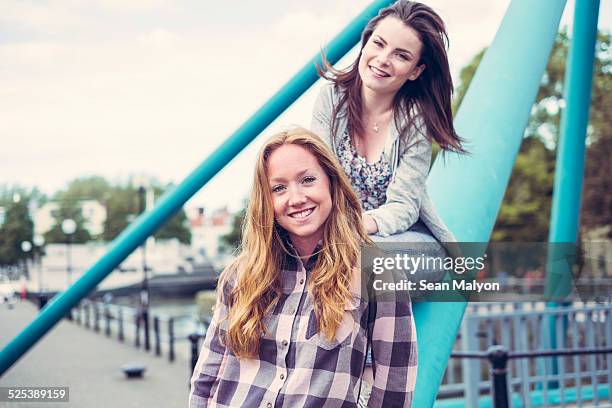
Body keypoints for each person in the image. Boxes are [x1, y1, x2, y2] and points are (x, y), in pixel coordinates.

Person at [189, 127, 417, 407]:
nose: (295, 198)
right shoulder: (239, 276)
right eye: (279, 188)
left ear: (331, 184)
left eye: (308, 180)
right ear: (266, 201)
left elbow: (393, 389)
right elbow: (208, 375)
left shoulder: (378, 274)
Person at [311, 0, 464, 247]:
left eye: (401, 55)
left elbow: (404, 206)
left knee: (366, 258)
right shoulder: (331, 99)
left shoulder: (415, 123)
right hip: (333, 232)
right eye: (378, 44)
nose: (383, 59)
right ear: (366, 43)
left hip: (394, 236)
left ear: (415, 71)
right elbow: (318, 178)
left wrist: (356, 226)